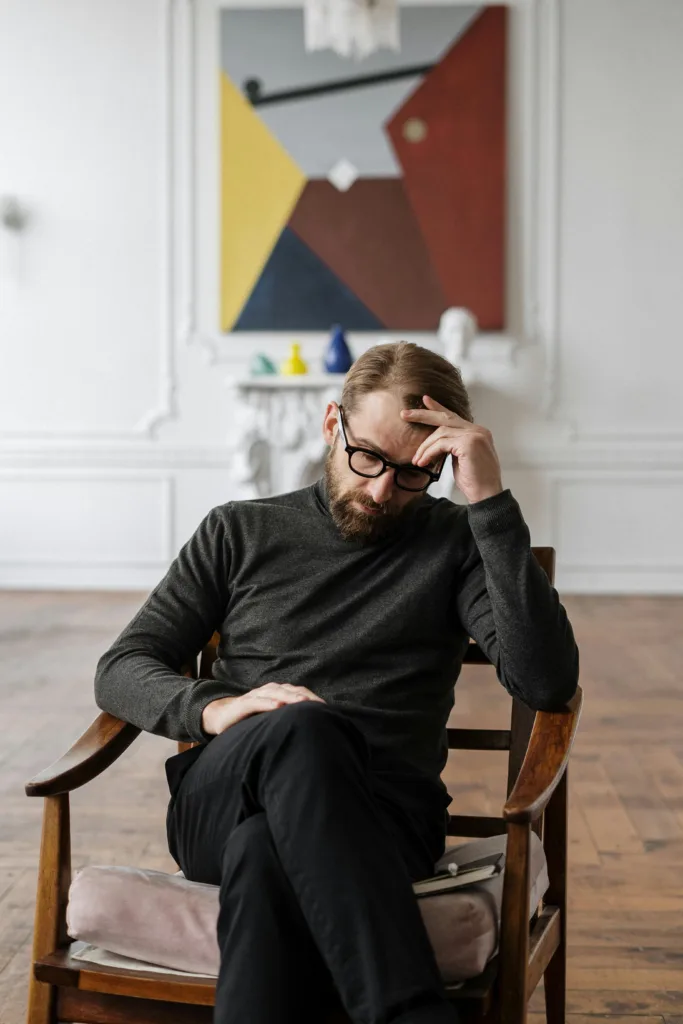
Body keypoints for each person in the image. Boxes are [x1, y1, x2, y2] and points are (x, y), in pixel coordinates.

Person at [94, 341, 579, 1024]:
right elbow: (121, 667)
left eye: (413, 474)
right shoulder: (238, 530)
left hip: (386, 815)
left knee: (264, 853)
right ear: (332, 425)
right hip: (221, 800)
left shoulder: (458, 543)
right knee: (301, 728)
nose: (382, 491)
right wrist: (217, 709)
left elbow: (546, 682)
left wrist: (490, 503)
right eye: (368, 458)